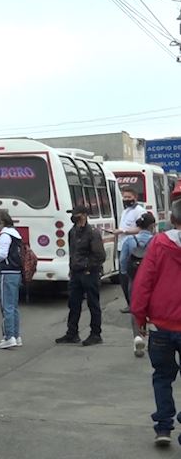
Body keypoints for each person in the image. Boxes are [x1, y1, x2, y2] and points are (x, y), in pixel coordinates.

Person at [130, 201, 181, 447]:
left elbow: (143, 283)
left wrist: (139, 318)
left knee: (162, 376)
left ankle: (163, 427)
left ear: (172, 219)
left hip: (160, 325)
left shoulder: (159, 244)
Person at [56, 205, 106, 346]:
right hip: (76, 273)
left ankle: (96, 334)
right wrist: (72, 269)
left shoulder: (92, 233)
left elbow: (100, 255)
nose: (74, 217)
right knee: (73, 303)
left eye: (76, 214)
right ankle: (72, 333)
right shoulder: (72, 232)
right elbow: (72, 252)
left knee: (93, 304)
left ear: (84, 215)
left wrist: (88, 267)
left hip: (89, 273)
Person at [123, 211, 157, 357]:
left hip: (134, 280)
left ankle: (137, 337)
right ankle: (154, 339)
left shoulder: (129, 241)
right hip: (152, 281)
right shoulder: (157, 241)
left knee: (135, 308)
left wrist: (128, 275)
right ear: (152, 226)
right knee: (154, 309)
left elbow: (123, 263)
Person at [0, 211, 22, 349]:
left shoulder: (5, 235)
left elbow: (3, 254)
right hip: (16, 272)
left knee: (6, 306)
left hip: (6, 272)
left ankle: (8, 336)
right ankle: (16, 335)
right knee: (13, 306)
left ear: (3, 221)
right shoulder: (15, 234)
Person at [114, 187, 147, 313]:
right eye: (124, 197)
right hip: (121, 246)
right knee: (123, 278)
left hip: (133, 248)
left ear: (135, 197)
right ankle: (130, 303)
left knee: (131, 277)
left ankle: (135, 305)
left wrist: (123, 231)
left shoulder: (140, 211)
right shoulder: (125, 211)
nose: (126, 199)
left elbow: (141, 229)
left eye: (128, 197)